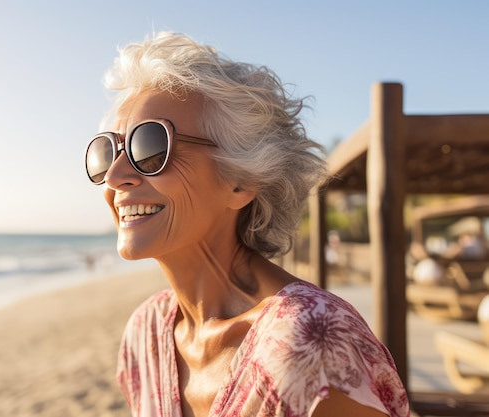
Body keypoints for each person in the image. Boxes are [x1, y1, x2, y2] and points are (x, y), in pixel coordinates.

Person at [84, 32, 410, 417]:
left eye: (150, 146)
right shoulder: (145, 336)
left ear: (240, 181)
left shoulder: (312, 345)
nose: (115, 175)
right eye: (108, 151)